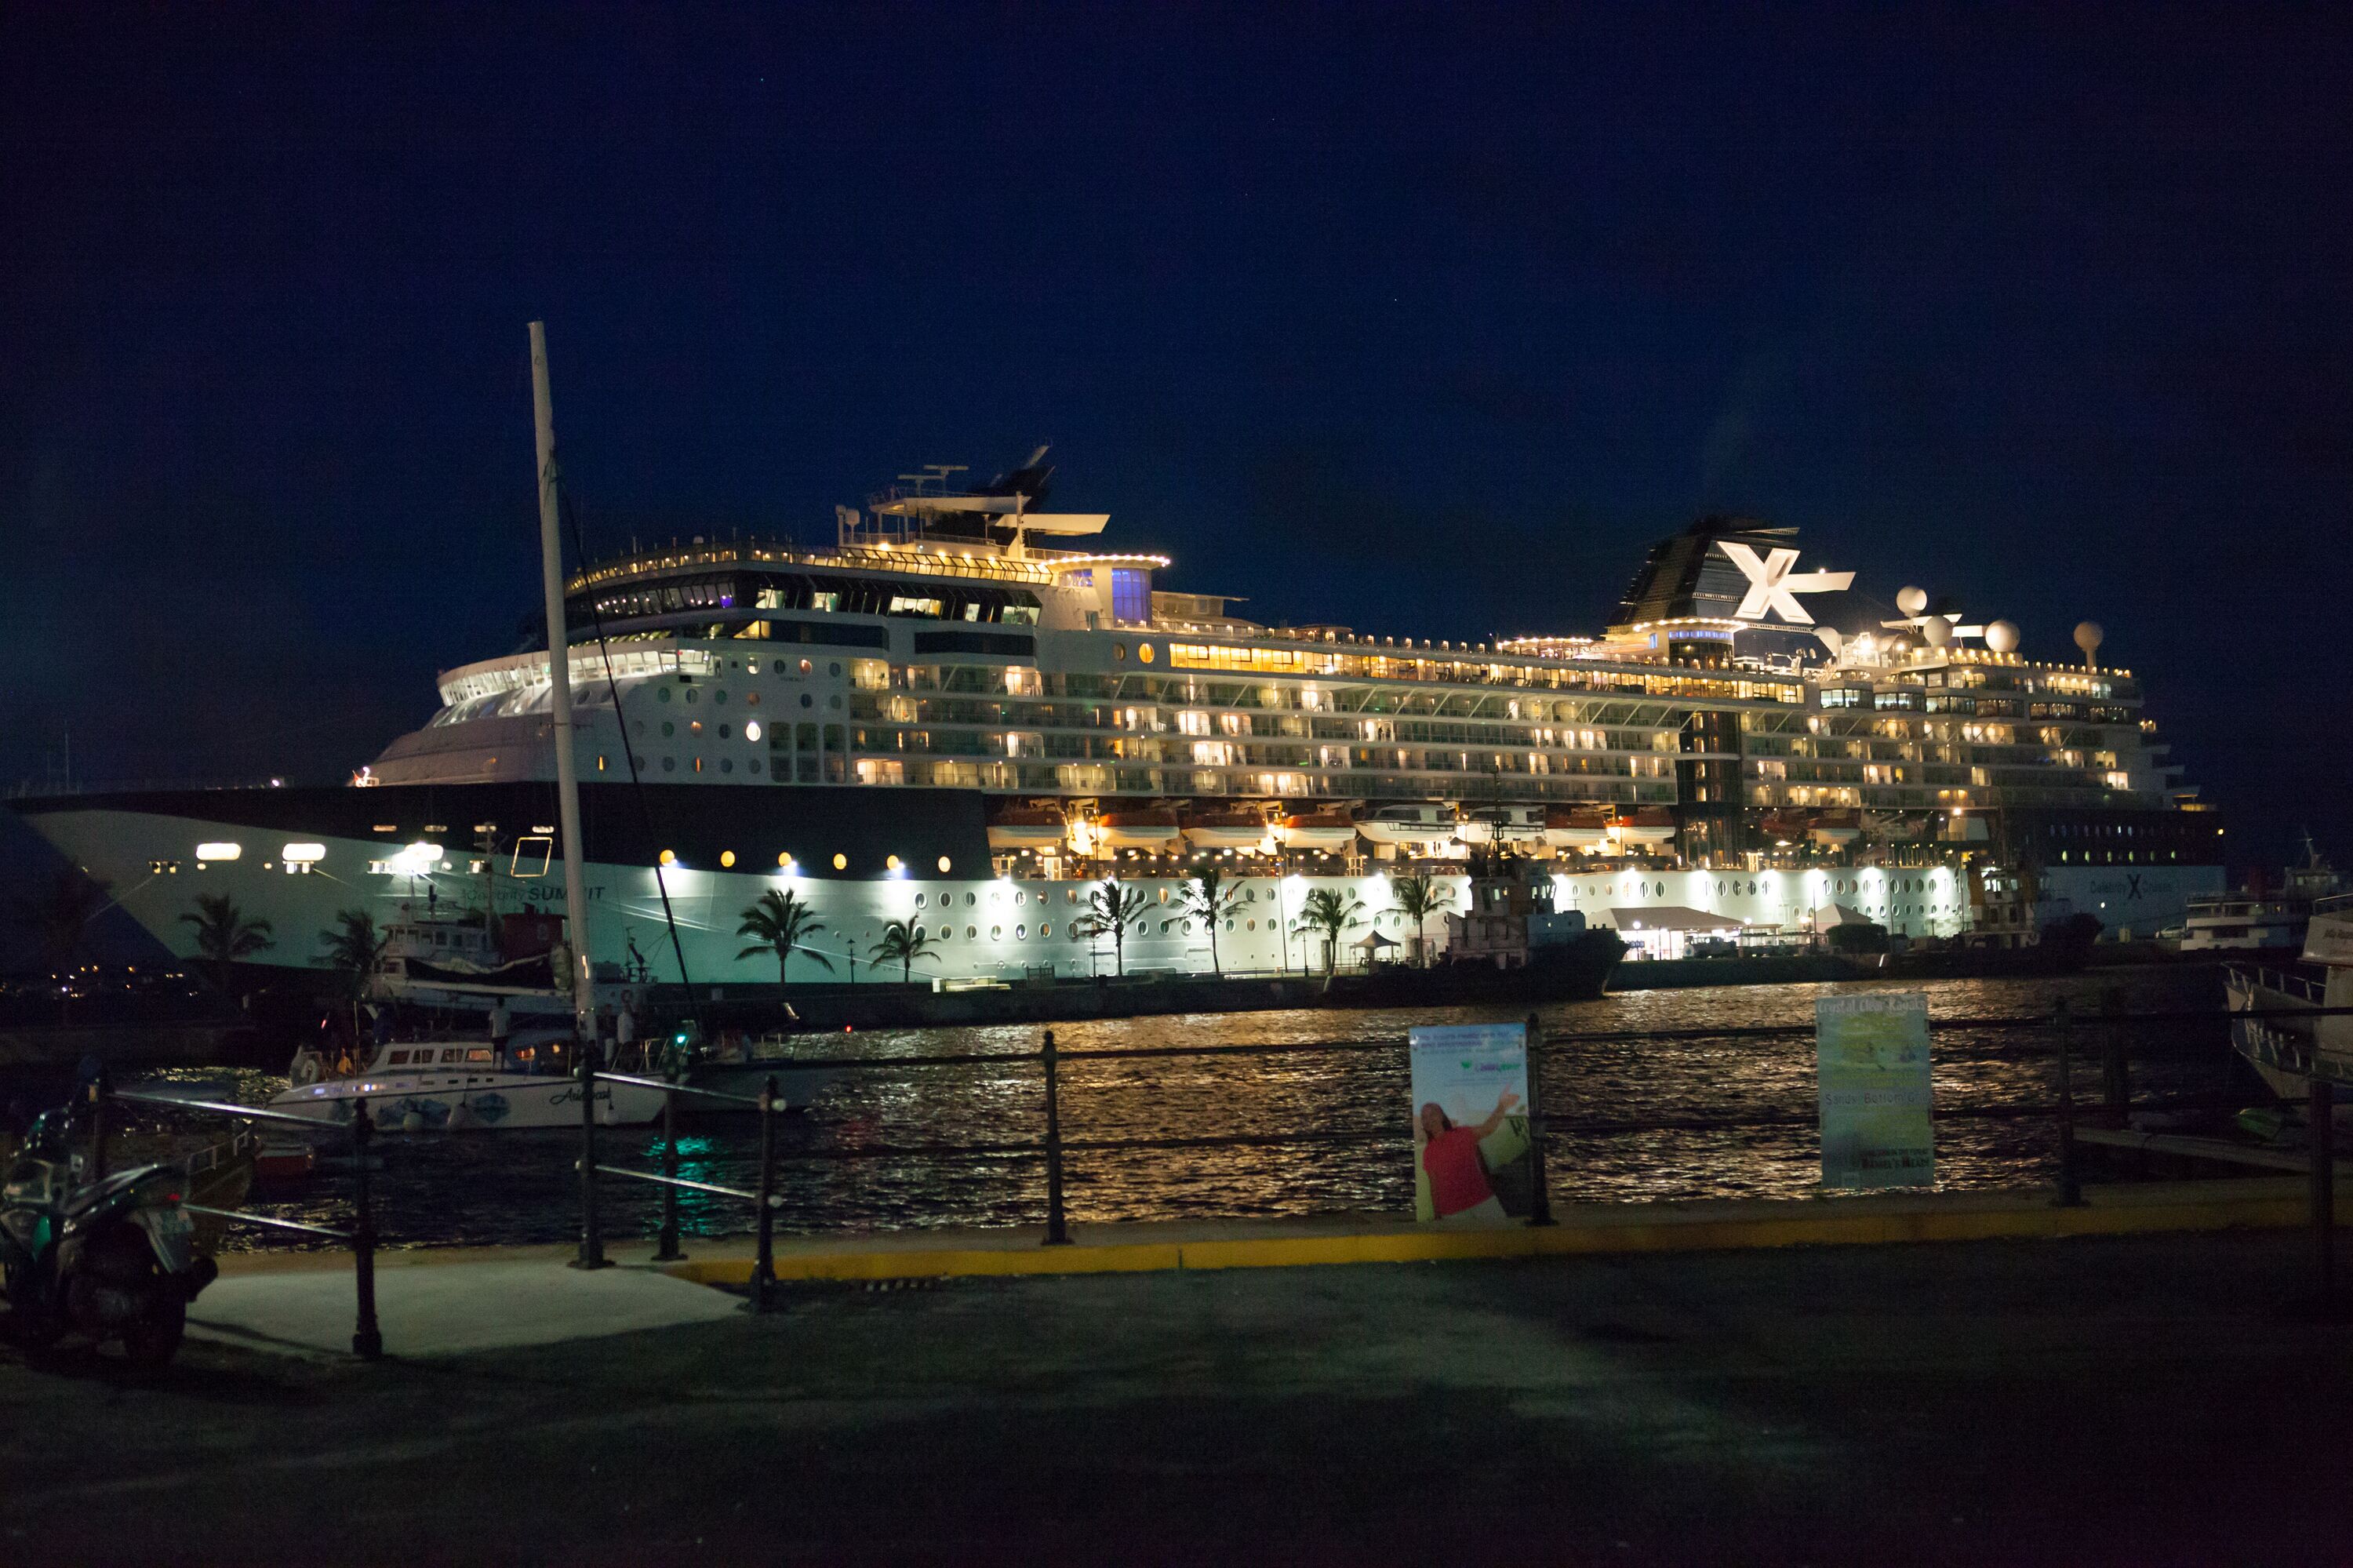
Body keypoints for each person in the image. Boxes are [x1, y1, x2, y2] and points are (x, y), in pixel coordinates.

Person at [1417, 1091, 1521, 1224]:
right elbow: (1434, 1186)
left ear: (1442, 1116)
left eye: (1432, 1114)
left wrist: (1502, 1106)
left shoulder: (1462, 1134)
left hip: (1482, 1200)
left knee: (1502, 1239)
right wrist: (1437, 1215)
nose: (1429, 1119)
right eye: (1424, 1117)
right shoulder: (1428, 1152)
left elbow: (1488, 1128)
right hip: (1452, 1211)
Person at [616, 1002, 637, 1070]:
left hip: (621, 1039)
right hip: (627, 1038)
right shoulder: (627, 1017)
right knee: (628, 1054)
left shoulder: (620, 1017)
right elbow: (631, 1027)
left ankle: (623, 1067)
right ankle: (628, 1067)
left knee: (623, 1054)